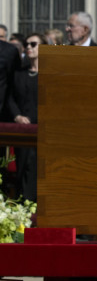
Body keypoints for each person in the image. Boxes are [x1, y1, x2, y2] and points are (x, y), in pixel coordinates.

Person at [5, 33, 41, 202]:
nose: (29, 47)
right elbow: (10, 97)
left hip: (41, 132)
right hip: (22, 131)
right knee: (21, 168)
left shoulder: (49, 74)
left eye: (33, 44)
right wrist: (17, 116)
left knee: (35, 171)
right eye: (26, 44)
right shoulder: (20, 73)